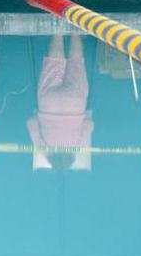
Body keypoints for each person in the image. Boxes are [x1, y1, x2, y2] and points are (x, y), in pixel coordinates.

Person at [27, 35, 92, 170]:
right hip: (48, 104)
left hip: (75, 104)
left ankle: (75, 27)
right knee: (54, 62)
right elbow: (31, 124)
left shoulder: (76, 147)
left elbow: (89, 124)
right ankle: (58, 28)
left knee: (76, 62)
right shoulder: (45, 149)